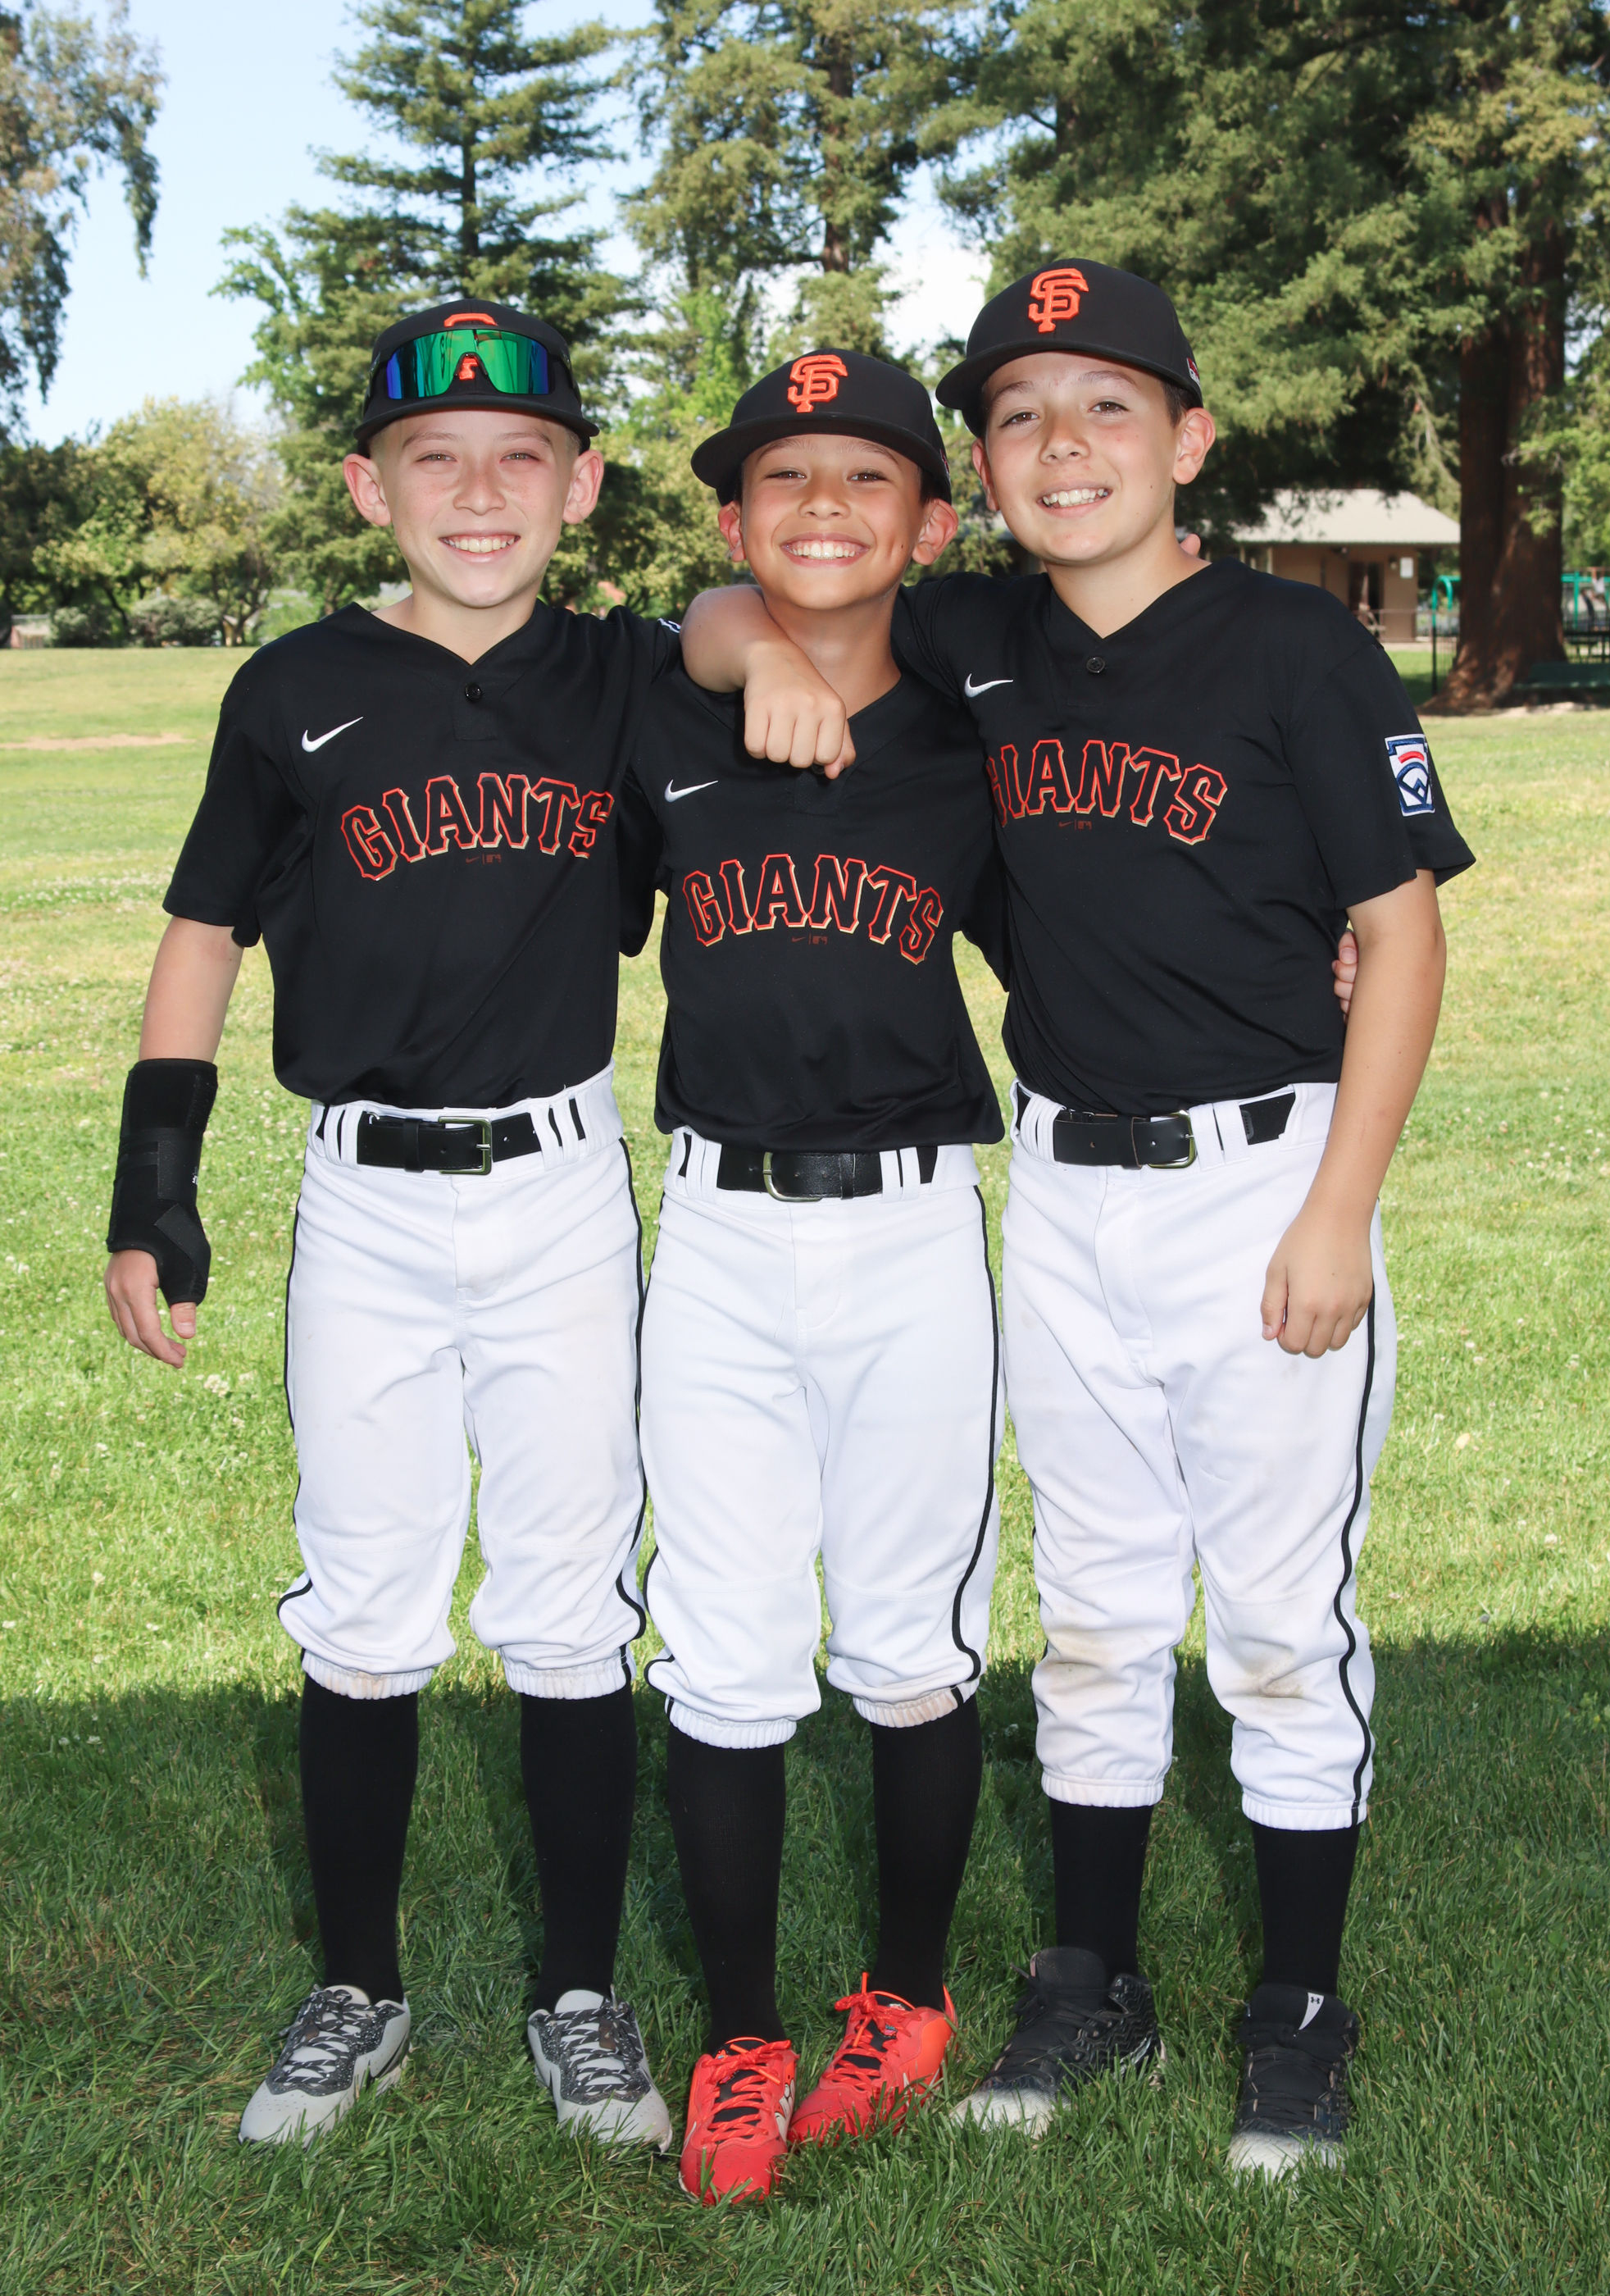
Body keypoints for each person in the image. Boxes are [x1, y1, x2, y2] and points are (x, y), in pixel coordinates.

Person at [680, 261, 1473, 2178]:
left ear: (1189, 439)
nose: (1063, 444)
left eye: (1108, 405)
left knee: (1275, 1617)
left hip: (1263, 1179)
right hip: (1056, 1182)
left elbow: (1399, 933)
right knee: (1100, 1608)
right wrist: (754, 646)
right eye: (1020, 414)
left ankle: (1296, 2003)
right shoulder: (973, 635)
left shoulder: (1297, 647)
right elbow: (734, 603)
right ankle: (1091, 1974)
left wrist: (1340, 1213)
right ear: (980, 468)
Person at [102, 299, 835, 2150]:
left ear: (581, 487)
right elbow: (204, 930)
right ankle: (357, 1987)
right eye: (434, 457)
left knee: (570, 1600)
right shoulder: (292, 687)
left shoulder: (621, 670)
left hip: (563, 1189)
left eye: (524, 456)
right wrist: (153, 1186)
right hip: (362, 1192)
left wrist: (760, 640)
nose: (480, 490)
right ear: (370, 488)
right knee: (363, 1596)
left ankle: (578, 1993)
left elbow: (723, 616)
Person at [624, 351, 1009, 2204]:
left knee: (910, 1643)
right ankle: (738, 2038)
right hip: (716, 1229)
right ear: (731, 520)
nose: (826, 508)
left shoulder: (974, 728)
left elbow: (1104, 910)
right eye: (784, 478)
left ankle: (909, 2001)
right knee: (722, 1646)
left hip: (914, 1226)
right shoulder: (664, 703)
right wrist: (735, 644)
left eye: (870, 477)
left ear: (929, 524)